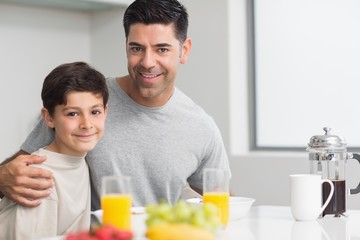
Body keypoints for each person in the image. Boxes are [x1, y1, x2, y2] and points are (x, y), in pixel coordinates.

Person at [0, 0, 230, 210]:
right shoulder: (87, 103)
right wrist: (2, 177)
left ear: (184, 50)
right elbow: (19, 170)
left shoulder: (202, 128)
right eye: (136, 48)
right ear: (126, 47)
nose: (148, 62)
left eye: (162, 49)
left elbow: (218, 208)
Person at [0, 62, 109, 239]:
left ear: (105, 112)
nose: (87, 124)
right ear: (49, 118)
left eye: (94, 112)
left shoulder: (79, 161)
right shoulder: (39, 178)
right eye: (72, 114)